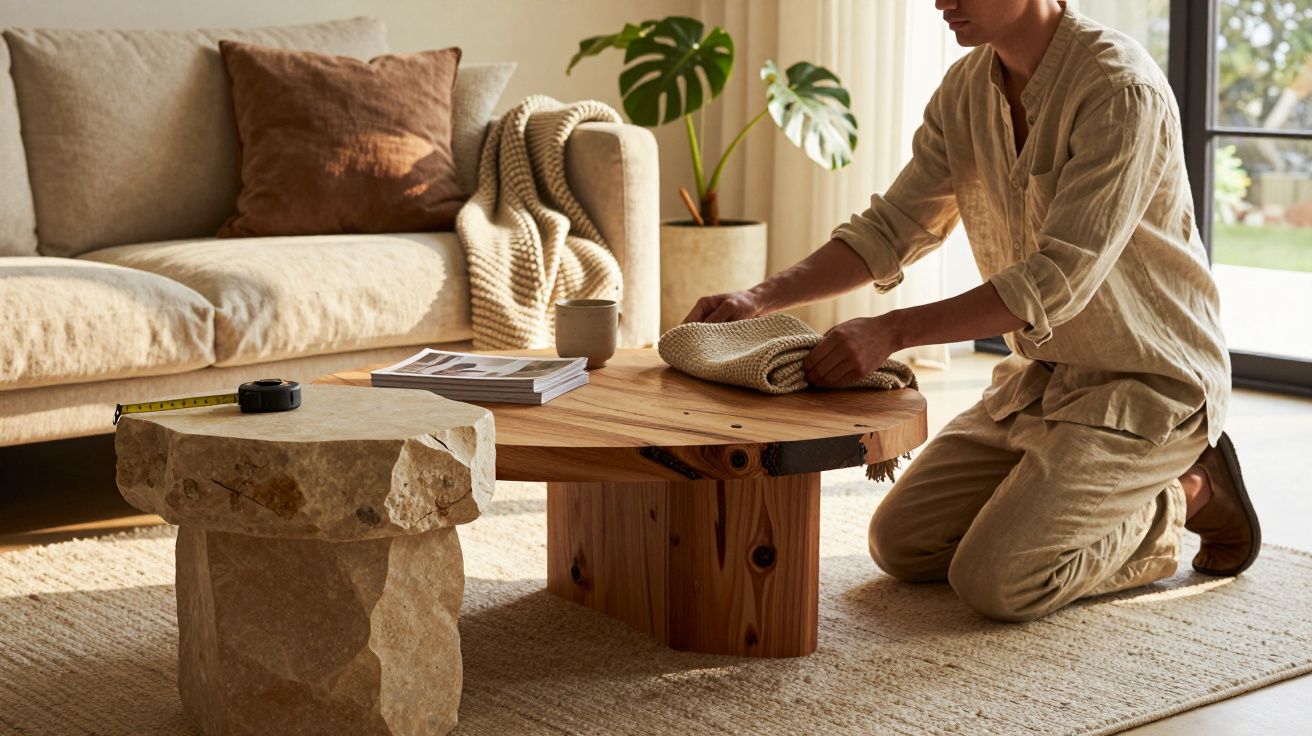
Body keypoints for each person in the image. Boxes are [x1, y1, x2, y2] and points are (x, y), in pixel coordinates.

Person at [681, 0, 1259, 622]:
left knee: (998, 582)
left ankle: (1190, 492)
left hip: (1147, 381)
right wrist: (756, 299)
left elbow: (1055, 278)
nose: (941, 2)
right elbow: (893, 226)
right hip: (1040, 382)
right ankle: (1065, 492)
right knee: (901, 544)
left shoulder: (1121, 89)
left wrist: (892, 331)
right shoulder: (965, 89)